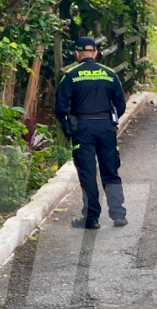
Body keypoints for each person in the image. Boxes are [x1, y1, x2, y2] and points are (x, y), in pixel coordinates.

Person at [55, 36, 128, 229]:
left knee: (87, 173)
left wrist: (68, 126)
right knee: (110, 171)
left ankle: (91, 218)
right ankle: (118, 214)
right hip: (106, 128)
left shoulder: (70, 75)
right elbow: (121, 105)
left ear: (77, 53)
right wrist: (108, 122)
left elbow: (60, 108)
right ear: (95, 52)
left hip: (82, 128)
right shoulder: (110, 74)